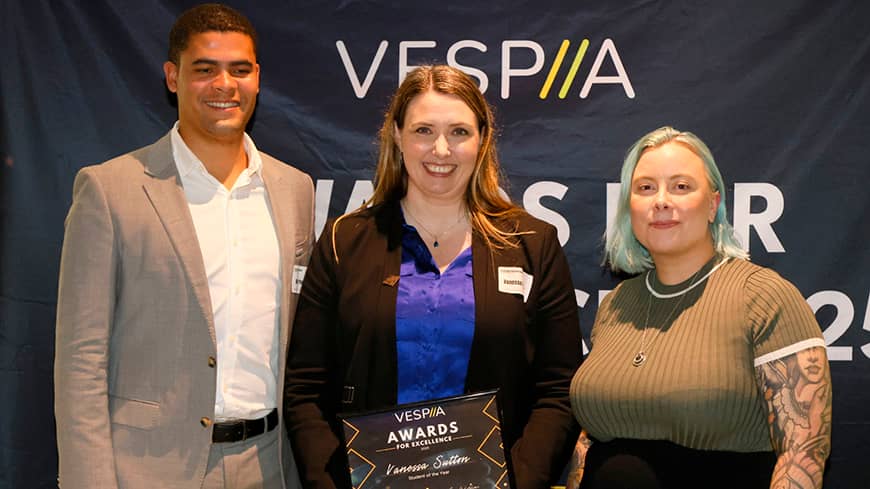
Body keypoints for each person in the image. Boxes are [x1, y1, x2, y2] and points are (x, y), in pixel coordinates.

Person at [283, 65, 581, 489]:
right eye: (424, 130)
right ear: (398, 137)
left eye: (459, 132)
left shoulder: (532, 243)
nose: (440, 149)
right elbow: (306, 388)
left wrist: (520, 481)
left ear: (482, 142)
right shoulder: (343, 242)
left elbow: (558, 388)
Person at [54, 4, 313, 488]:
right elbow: (80, 363)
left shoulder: (294, 189)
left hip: (271, 465)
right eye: (204, 70)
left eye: (239, 70)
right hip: (148, 470)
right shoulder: (110, 191)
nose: (224, 85)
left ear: (257, 77)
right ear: (172, 77)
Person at [567, 126, 831, 489]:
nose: (660, 201)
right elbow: (589, 442)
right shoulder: (615, 305)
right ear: (630, 207)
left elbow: (804, 452)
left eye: (681, 186)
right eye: (645, 187)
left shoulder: (764, 296)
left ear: (713, 205)